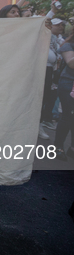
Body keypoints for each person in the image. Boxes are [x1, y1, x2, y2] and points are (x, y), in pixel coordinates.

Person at [54, 27, 74, 161]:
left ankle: (72, 148)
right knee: (67, 115)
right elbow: (71, 63)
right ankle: (58, 146)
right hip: (69, 84)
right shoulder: (67, 45)